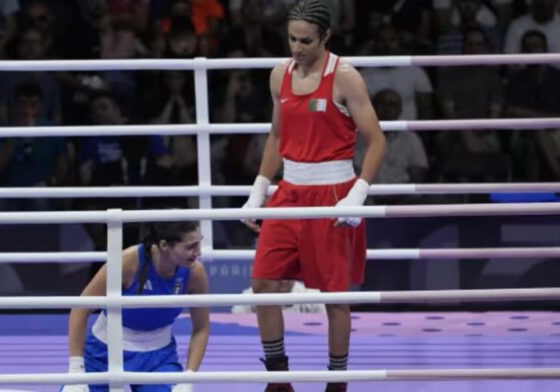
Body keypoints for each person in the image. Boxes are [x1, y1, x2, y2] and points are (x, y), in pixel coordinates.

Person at [241, 1, 386, 392]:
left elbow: (376, 141)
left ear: (326, 36)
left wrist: (358, 193)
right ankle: (278, 380)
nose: (297, 47)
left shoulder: (346, 77)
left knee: (335, 299)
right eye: (292, 39)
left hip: (334, 193)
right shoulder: (279, 75)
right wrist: (259, 188)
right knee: (264, 285)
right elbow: (277, 135)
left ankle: (337, 383)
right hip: (289, 192)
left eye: (306, 40)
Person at [62, 221, 210, 392]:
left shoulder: (194, 273)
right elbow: (80, 309)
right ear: (164, 245)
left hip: (158, 359)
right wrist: (76, 368)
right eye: (191, 246)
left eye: (199, 243)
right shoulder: (128, 262)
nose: (198, 252)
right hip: (104, 353)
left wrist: (188, 379)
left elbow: (201, 327)